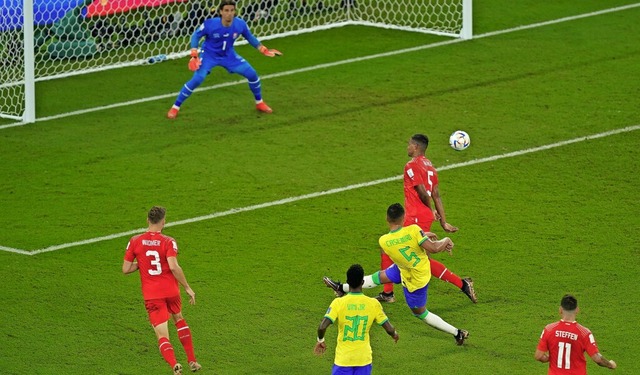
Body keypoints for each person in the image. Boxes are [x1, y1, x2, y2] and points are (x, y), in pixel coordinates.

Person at [324, 203, 469, 345]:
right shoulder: (413, 230)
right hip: (416, 274)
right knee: (416, 309)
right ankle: (457, 333)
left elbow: (402, 243)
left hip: (408, 273)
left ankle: (457, 332)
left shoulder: (384, 240)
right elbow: (434, 248)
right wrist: (446, 240)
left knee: (384, 283)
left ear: (387, 219)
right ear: (404, 217)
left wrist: (422, 236)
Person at [376, 133, 477, 304]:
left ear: (415, 147)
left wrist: (430, 211)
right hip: (422, 216)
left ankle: (462, 283)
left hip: (415, 217)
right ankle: (388, 293)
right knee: (400, 253)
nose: (407, 147)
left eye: (409, 144)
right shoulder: (431, 167)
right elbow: (436, 195)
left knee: (412, 257)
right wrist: (442, 220)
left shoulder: (411, 165)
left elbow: (422, 191)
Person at [167, 0, 282, 119]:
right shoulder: (210, 24)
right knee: (198, 79)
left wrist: (263, 49)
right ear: (221, 12)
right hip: (209, 56)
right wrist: (194, 54)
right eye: (226, 10)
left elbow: (249, 36)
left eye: (232, 10)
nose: (229, 13)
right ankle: (175, 107)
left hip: (229, 55)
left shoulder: (240, 24)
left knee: (252, 74)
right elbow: (196, 35)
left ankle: (259, 103)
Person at [122, 206, 202, 375]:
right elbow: (173, 266)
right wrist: (187, 287)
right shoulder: (168, 241)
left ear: (147, 220)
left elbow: (126, 268)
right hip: (171, 291)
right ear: (163, 222)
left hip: (153, 295)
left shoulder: (135, 240)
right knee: (179, 319)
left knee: (162, 335)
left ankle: (174, 365)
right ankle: (192, 360)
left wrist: (142, 264)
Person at [314, 264, 399, 375]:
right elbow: (389, 329)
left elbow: (322, 327)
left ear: (348, 282)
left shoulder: (338, 303)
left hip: (343, 360)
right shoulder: (373, 304)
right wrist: (394, 334)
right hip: (364, 359)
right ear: (363, 282)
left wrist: (321, 340)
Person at [535, 294, 617, 374]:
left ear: (560, 310)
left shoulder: (549, 329)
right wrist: (610, 364)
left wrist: (549, 358)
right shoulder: (584, 333)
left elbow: (539, 356)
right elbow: (597, 359)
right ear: (577, 310)